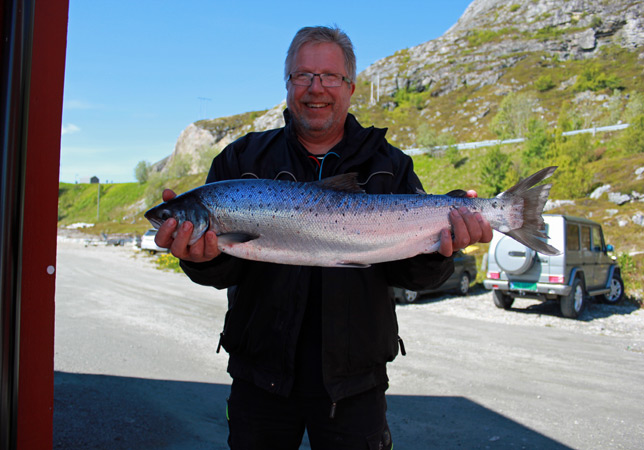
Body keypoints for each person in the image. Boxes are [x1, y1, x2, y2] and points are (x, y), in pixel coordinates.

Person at [155, 26, 492, 450]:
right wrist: (200, 259)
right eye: (303, 76)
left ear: (350, 87)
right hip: (259, 378)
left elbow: (415, 275)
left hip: (355, 385)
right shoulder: (240, 160)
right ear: (288, 85)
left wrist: (444, 248)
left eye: (330, 76)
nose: (317, 89)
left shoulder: (391, 165)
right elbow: (225, 271)